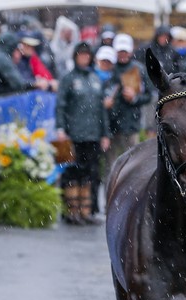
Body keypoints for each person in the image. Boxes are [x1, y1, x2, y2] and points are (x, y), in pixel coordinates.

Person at [56, 42, 111, 225]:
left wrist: (105, 133)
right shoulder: (68, 79)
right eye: (81, 55)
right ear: (75, 56)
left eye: (87, 55)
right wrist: (61, 128)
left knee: (91, 174)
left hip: (93, 135)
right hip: (74, 134)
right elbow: (61, 106)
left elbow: (101, 109)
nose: (84, 58)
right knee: (71, 173)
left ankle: (87, 210)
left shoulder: (95, 79)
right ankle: (71, 211)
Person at [105, 34, 152, 159]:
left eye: (125, 51)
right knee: (111, 162)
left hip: (131, 124)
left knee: (133, 162)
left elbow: (148, 95)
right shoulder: (109, 68)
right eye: (120, 51)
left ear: (130, 51)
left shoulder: (139, 69)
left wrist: (135, 98)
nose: (123, 54)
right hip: (111, 125)